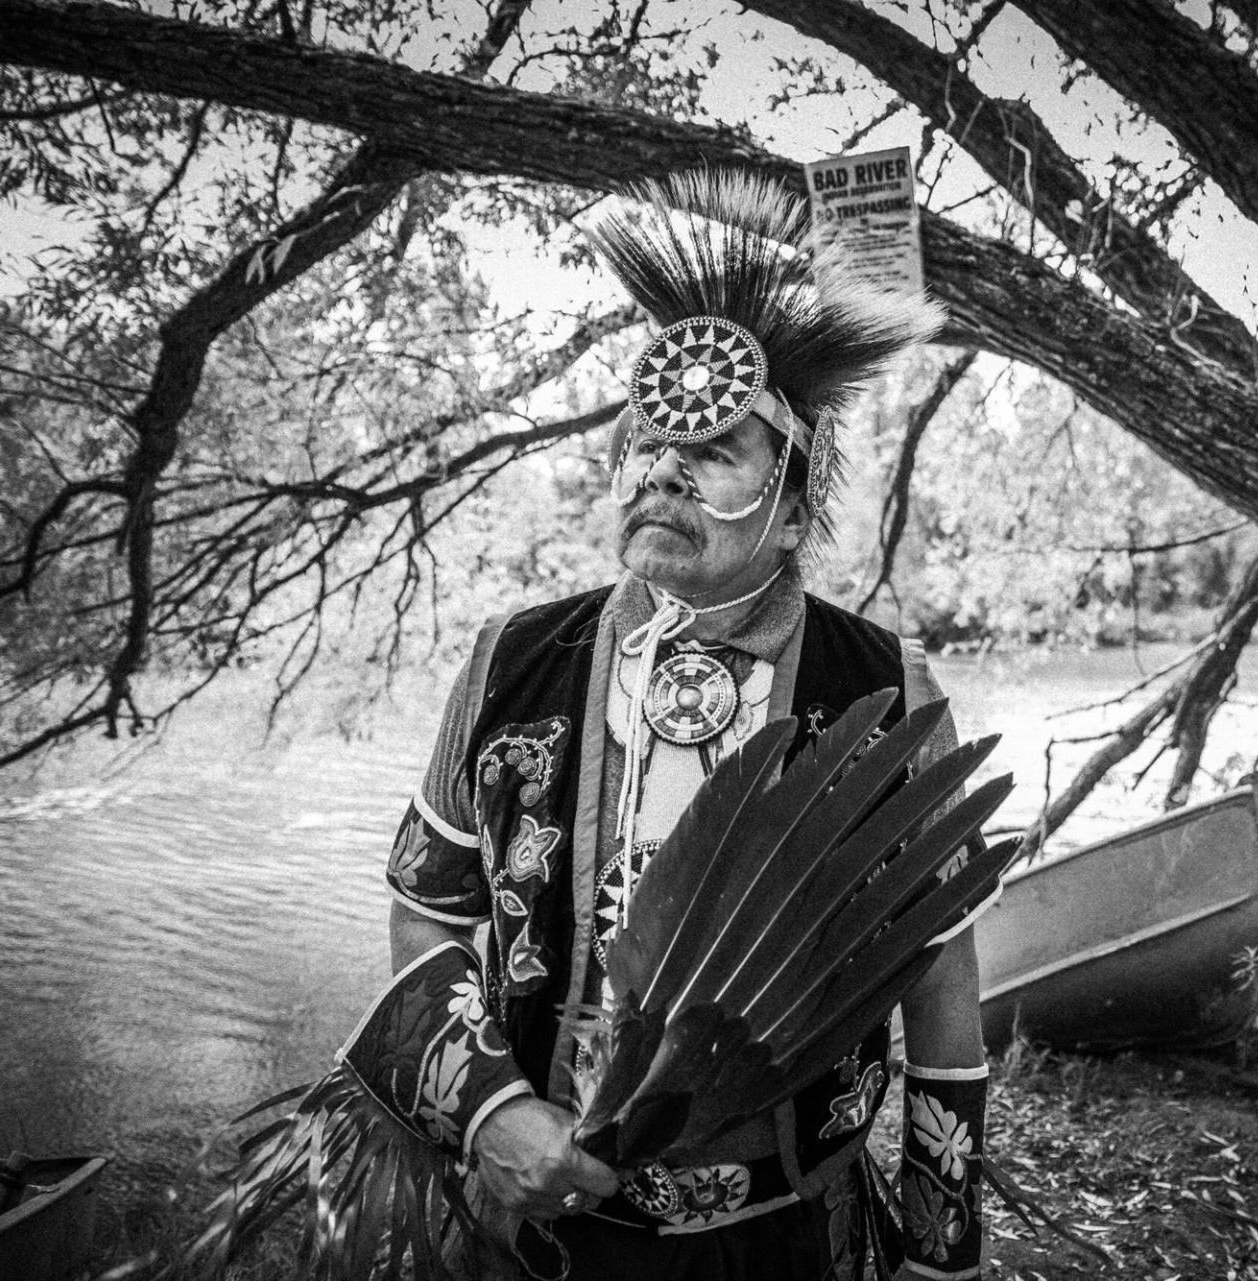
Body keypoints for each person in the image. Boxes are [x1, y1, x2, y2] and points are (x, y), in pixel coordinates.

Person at [337, 170, 992, 1281]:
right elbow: (426, 913)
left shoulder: (883, 682)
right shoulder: (511, 662)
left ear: (790, 511)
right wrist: (489, 1111)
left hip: (783, 1236)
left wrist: (943, 1255)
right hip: (538, 1229)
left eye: (713, 450)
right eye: (645, 446)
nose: (662, 472)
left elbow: (935, 975)